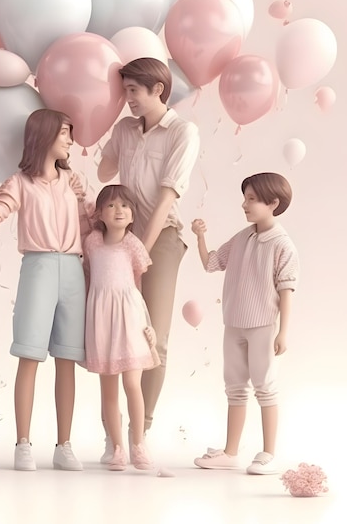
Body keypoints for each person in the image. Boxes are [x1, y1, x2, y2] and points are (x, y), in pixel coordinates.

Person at [0, 109, 88, 472]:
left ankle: (64, 445)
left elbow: (91, 224)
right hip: (38, 269)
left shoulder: (74, 182)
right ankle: (23, 443)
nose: (71, 141)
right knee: (29, 355)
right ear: (45, 135)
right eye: (65, 134)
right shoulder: (18, 183)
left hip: (74, 269)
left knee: (67, 359)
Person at [97, 57, 199, 457]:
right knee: (109, 335)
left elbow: (165, 198)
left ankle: (142, 430)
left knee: (152, 336)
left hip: (159, 239)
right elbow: (105, 173)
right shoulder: (124, 128)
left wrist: (140, 247)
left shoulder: (183, 132)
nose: (128, 100)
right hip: (117, 235)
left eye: (133, 92)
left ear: (158, 89)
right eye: (123, 92)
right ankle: (114, 437)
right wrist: (101, 118)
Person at [190, 172, 299, 475]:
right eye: (245, 197)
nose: (244, 204)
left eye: (251, 199)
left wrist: (283, 331)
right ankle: (231, 452)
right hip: (233, 324)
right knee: (235, 388)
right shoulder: (242, 237)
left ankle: (269, 453)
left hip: (262, 325)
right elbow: (212, 263)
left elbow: (286, 291)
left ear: (273, 203)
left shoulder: (283, 245)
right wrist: (200, 236)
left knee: (266, 387)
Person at [83, 185, 160, 471]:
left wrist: (147, 325)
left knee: (132, 384)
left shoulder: (133, 244)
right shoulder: (91, 242)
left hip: (129, 318)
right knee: (108, 390)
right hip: (101, 318)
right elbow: (89, 278)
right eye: (112, 206)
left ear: (132, 215)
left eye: (125, 206)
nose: (119, 211)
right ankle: (116, 448)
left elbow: (136, 286)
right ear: (100, 213)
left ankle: (137, 443)